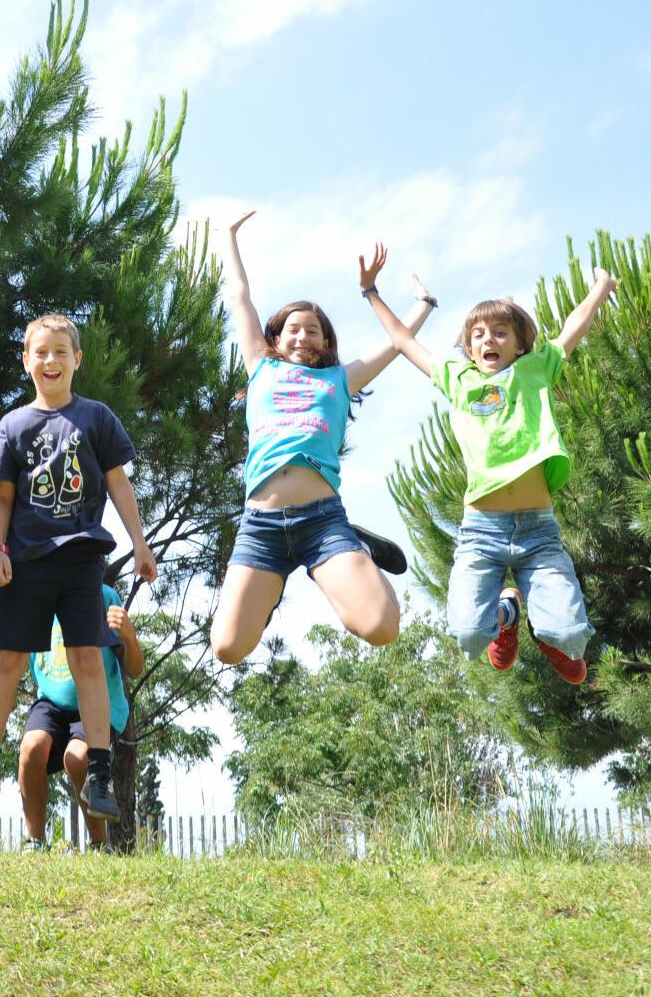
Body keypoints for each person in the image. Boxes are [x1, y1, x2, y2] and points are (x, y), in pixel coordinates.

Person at [364, 246, 618, 682]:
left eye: (501, 332)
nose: (488, 340)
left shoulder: (537, 369)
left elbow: (575, 326)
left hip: (538, 530)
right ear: (468, 346)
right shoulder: (458, 380)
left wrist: (601, 286)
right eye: (478, 334)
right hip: (481, 532)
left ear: (521, 344)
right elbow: (404, 341)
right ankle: (506, 615)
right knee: (467, 636)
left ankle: (546, 631)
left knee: (572, 634)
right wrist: (370, 290)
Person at [0, 314, 157, 821]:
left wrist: (140, 544)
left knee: (88, 658)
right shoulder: (14, 425)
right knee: (7, 657)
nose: (50, 361)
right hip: (24, 562)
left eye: (60, 352)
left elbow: (118, 484)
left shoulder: (96, 417)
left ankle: (99, 770)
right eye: (40, 352)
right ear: (27, 361)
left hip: (81, 559)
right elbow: (2, 498)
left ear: (77, 360)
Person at [209, 212, 430, 666]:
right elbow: (238, 296)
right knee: (227, 648)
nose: (304, 336)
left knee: (382, 628)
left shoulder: (339, 379)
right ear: (275, 337)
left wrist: (424, 303)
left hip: (322, 523)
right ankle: (270, 594)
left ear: (326, 342)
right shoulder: (261, 366)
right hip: (261, 527)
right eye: (294, 328)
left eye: (314, 330)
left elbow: (395, 345)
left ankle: (357, 545)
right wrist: (227, 236)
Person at [0, 584, 142, 851]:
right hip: (52, 705)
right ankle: (35, 842)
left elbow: (134, 669)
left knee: (77, 757)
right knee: (31, 747)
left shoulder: (99, 595)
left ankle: (100, 844)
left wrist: (129, 635)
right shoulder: (34, 598)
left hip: (98, 707)